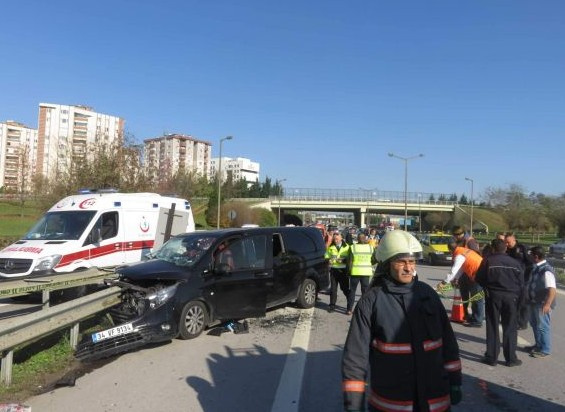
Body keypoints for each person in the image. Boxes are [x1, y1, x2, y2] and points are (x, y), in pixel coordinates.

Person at [342, 230, 462, 411]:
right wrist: (353, 402)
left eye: (412, 261)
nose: (408, 268)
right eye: (401, 262)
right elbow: (355, 357)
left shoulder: (428, 295)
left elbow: (448, 342)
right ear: (387, 264)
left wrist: (455, 380)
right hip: (391, 403)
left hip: (434, 400)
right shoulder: (371, 301)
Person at [475, 239, 525, 367]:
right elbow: (521, 283)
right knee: (510, 327)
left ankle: (492, 357)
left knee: (492, 325)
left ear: (493, 249)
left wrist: (489, 287)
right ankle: (511, 359)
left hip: (493, 296)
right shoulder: (515, 263)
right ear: (505, 248)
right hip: (511, 297)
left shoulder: (488, 261)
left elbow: (479, 278)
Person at [439, 241, 485, 327]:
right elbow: (461, 269)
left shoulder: (459, 256)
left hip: (479, 275)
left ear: (450, 250)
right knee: (475, 298)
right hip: (479, 273)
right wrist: (456, 278)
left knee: (477, 299)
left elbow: (454, 271)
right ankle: (475, 317)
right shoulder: (463, 251)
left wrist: (443, 282)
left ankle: (478, 321)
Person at [525, 246, 557, 358]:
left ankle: (545, 349)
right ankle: (538, 345)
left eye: (531, 255)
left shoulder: (546, 270)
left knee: (543, 326)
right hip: (534, 302)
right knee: (535, 324)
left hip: (542, 304)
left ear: (536, 257)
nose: (529, 256)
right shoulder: (536, 267)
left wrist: (547, 304)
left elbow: (552, 289)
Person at [505, 232, 533, 330]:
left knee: (523, 301)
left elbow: (530, 263)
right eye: (506, 243)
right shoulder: (506, 250)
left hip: (524, 279)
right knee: (513, 301)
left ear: (514, 240)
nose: (507, 244)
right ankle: (514, 320)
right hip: (512, 280)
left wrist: (525, 274)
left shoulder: (522, 248)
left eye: (508, 242)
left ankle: (522, 322)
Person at [346, 233, 374, 316]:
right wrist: (369, 263)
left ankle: (349, 310)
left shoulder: (353, 247)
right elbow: (375, 259)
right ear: (365, 238)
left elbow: (349, 261)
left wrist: (348, 272)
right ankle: (364, 310)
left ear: (357, 239)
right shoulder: (370, 247)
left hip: (355, 272)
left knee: (352, 291)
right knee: (365, 292)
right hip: (366, 272)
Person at [325, 232, 351, 313]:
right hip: (334, 270)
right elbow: (326, 256)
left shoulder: (347, 247)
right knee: (333, 289)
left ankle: (349, 306)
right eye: (334, 239)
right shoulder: (331, 247)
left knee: (345, 289)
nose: (335, 240)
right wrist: (328, 260)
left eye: (337, 239)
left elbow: (350, 259)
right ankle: (332, 306)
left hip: (343, 271)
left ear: (341, 238)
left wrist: (343, 260)